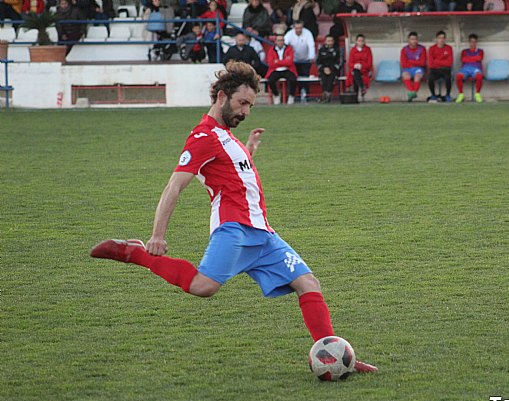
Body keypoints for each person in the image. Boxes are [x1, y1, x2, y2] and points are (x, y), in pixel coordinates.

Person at [89, 61, 379, 375]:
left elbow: (234, 174)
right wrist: (157, 234)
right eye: (242, 103)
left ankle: (334, 355)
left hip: (263, 233)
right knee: (204, 287)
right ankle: (136, 254)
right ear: (222, 96)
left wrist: (250, 150)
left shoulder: (226, 135)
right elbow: (175, 185)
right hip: (234, 229)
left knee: (308, 283)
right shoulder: (203, 136)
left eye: (250, 106)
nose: (245, 112)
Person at [284, 21, 316, 102]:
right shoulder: (289, 34)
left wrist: (311, 56)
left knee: (305, 77)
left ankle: (306, 95)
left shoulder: (308, 33)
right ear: (293, 27)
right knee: (293, 78)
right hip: (293, 61)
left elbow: (311, 45)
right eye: (297, 28)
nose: (298, 30)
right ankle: (293, 96)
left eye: (300, 28)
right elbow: (285, 46)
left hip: (305, 60)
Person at [266, 34, 298, 105]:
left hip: (288, 69)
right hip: (275, 69)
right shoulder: (271, 50)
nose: (280, 42)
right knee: (270, 80)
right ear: (275, 42)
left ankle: (291, 96)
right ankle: (276, 95)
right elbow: (271, 63)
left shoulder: (289, 49)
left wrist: (277, 61)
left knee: (293, 79)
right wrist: (284, 61)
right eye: (278, 40)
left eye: (282, 40)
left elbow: (290, 62)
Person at [455, 33, 483, 103]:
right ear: (469, 42)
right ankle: (461, 94)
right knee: (459, 76)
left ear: (476, 42)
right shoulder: (464, 51)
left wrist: (469, 58)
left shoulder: (480, 51)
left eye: (474, 42)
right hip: (466, 68)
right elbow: (463, 60)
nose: (472, 43)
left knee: (479, 76)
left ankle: (477, 94)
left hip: (476, 68)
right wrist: (474, 59)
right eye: (471, 42)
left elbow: (480, 58)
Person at [427, 30, 453, 103]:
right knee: (430, 77)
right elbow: (430, 64)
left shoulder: (449, 48)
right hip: (435, 70)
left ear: (445, 39)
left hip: (445, 69)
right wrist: (443, 62)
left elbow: (449, 63)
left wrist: (436, 61)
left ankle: (447, 95)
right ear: (436, 39)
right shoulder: (431, 49)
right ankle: (433, 95)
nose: (441, 40)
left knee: (448, 77)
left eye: (443, 38)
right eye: (439, 38)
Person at [400, 31, 427, 102]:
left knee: (417, 77)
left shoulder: (422, 49)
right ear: (408, 40)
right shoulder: (404, 50)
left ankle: (412, 93)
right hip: (407, 69)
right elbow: (403, 64)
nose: (414, 41)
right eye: (412, 39)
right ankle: (413, 92)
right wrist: (416, 63)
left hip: (419, 69)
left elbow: (423, 63)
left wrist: (410, 61)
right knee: (405, 75)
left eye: (415, 39)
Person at [345, 33, 373, 101]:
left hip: (364, 70)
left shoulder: (368, 50)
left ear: (364, 42)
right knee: (355, 73)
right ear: (356, 42)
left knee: (355, 75)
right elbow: (350, 63)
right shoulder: (353, 50)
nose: (360, 42)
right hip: (355, 69)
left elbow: (369, 63)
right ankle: (362, 87)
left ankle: (356, 96)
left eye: (362, 41)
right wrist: (355, 65)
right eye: (359, 41)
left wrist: (362, 66)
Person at [316, 34, 341, 103]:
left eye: (331, 41)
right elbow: (318, 62)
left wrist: (331, 69)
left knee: (331, 79)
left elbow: (338, 62)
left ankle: (327, 95)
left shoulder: (337, 50)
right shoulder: (321, 50)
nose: (329, 42)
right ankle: (325, 95)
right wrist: (324, 68)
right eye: (328, 41)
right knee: (323, 79)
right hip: (323, 70)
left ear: (333, 42)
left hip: (333, 70)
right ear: (325, 42)